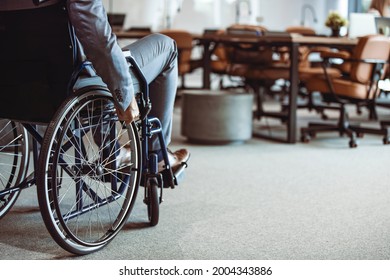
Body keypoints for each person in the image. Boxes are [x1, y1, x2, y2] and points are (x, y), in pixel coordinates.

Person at [0, 0, 190, 172]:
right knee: (166, 47)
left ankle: (113, 152)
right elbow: (100, 42)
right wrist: (125, 94)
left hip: (13, 90)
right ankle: (156, 155)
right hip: (66, 88)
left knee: (100, 63)